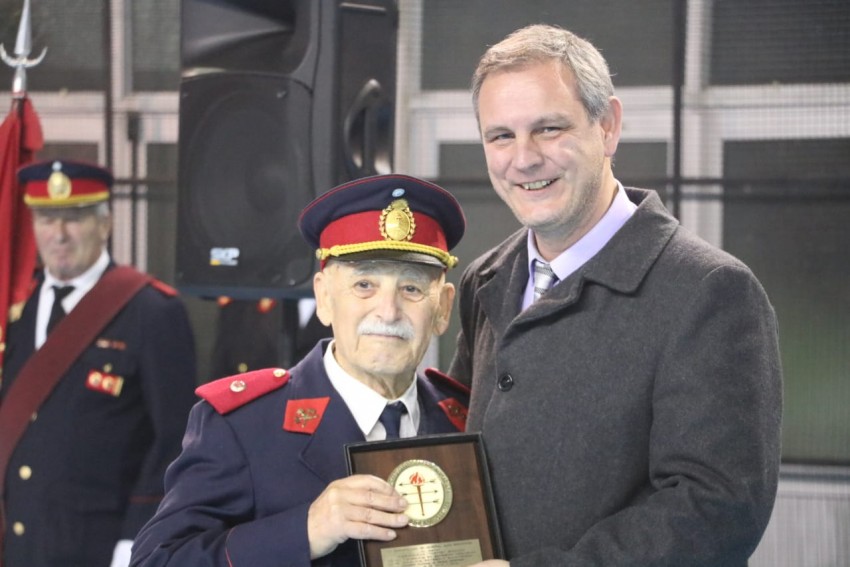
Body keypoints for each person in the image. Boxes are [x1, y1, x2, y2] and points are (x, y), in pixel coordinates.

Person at [450, 24, 783, 567]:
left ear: (607, 127)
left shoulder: (711, 291)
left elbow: (716, 509)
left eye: (549, 128)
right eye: (500, 136)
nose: (524, 158)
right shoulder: (485, 278)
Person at [130, 174, 470, 566]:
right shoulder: (244, 425)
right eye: (364, 285)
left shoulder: (465, 420)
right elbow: (156, 561)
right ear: (324, 298)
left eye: (411, 289)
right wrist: (304, 530)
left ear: (443, 308)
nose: (388, 312)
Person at [0, 159, 198, 567]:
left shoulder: (151, 311)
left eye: (74, 219)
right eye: (46, 219)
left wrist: (136, 540)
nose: (58, 235)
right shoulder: (16, 308)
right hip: (18, 540)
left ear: (105, 224)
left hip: (99, 545)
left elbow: (176, 440)